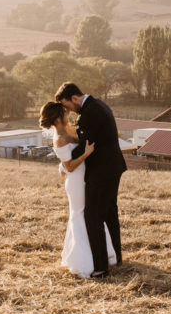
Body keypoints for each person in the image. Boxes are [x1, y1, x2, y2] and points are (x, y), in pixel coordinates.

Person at [55, 82, 126, 278]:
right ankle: (115, 257)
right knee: (110, 213)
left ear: (75, 99)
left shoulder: (89, 113)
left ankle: (101, 267)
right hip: (113, 167)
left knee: (92, 216)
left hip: (102, 171)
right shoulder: (99, 104)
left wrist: (65, 163)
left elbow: (86, 145)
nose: (68, 110)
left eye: (67, 105)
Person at [40, 101, 116, 278]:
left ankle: (100, 254)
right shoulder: (59, 138)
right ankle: (82, 260)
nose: (68, 113)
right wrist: (86, 154)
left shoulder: (70, 129)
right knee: (79, 214)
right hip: (75, 180)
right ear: (57, 117)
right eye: (64, 112)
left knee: (91, 213)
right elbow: (70, 166)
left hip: (86, 176)